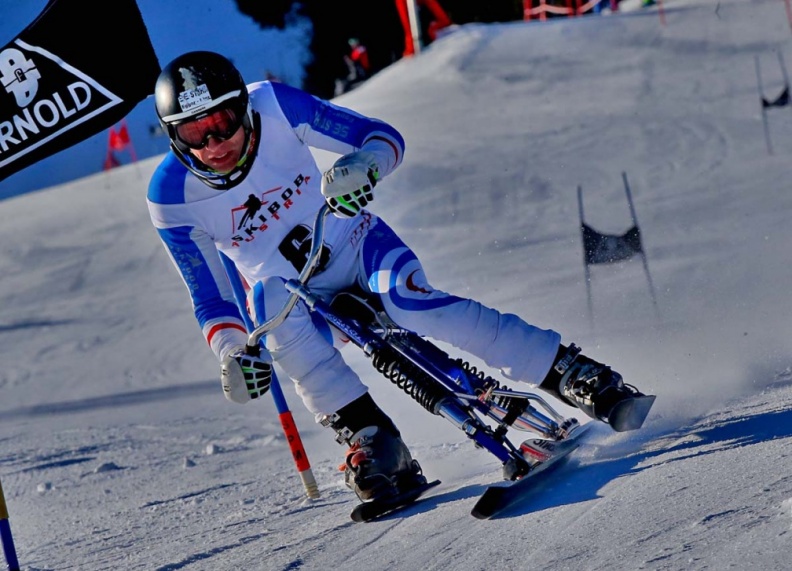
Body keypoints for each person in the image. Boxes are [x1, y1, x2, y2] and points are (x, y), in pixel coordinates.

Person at [147, 51, 648, 503]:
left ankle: (574, 375)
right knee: (269, 305)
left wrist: (362, 166)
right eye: (195, 133)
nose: (214, 143)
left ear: (244, 109)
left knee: (411, 303)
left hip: (355, 244)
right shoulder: (170, 197)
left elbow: (382, 138)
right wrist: (232, 354)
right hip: (297, 298)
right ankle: (373, 441)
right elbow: (211, 300)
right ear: (174, 137)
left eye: (223, 122)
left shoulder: (274, 104)